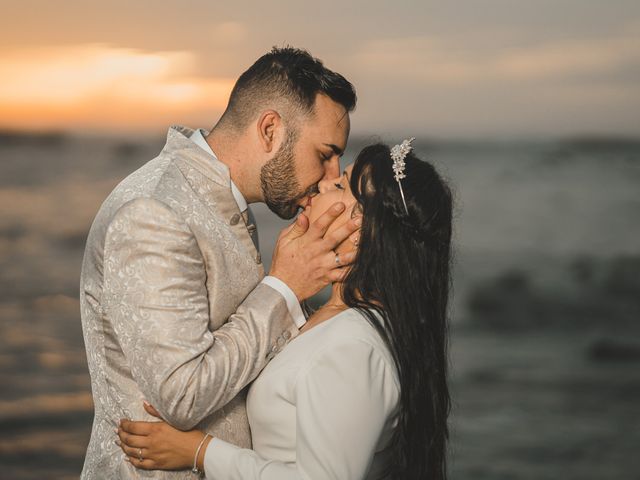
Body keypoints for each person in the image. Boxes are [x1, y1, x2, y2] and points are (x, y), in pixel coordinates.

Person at [79, 46, 359, 479]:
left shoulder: (219, 201)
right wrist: (283, 286)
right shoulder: (155, 213)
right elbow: (183, 395)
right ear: (270, 129)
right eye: (325, 154)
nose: (331, 176)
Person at [117, 140, 454, 480]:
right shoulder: (327, 317)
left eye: (340, 185)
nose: (324, 182)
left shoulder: (352, 347)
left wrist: (200, 451)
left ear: (360, 231)